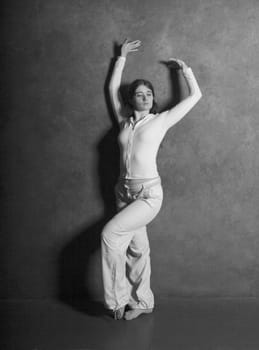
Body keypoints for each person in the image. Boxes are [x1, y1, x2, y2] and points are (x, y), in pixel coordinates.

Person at [101, 39, 202, 320]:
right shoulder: (123, 123)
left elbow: (195, 97)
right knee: (138, 249)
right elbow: (111, 89)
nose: (144, 97)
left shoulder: (161, 120)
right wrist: (120, 58)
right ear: (131, 98)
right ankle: (143, 301)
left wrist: (184, 70)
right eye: (138, 93)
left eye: (148, 94)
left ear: (152, 98)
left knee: (110, 234)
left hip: (148, 194)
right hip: (123, 192)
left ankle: (116, 301)